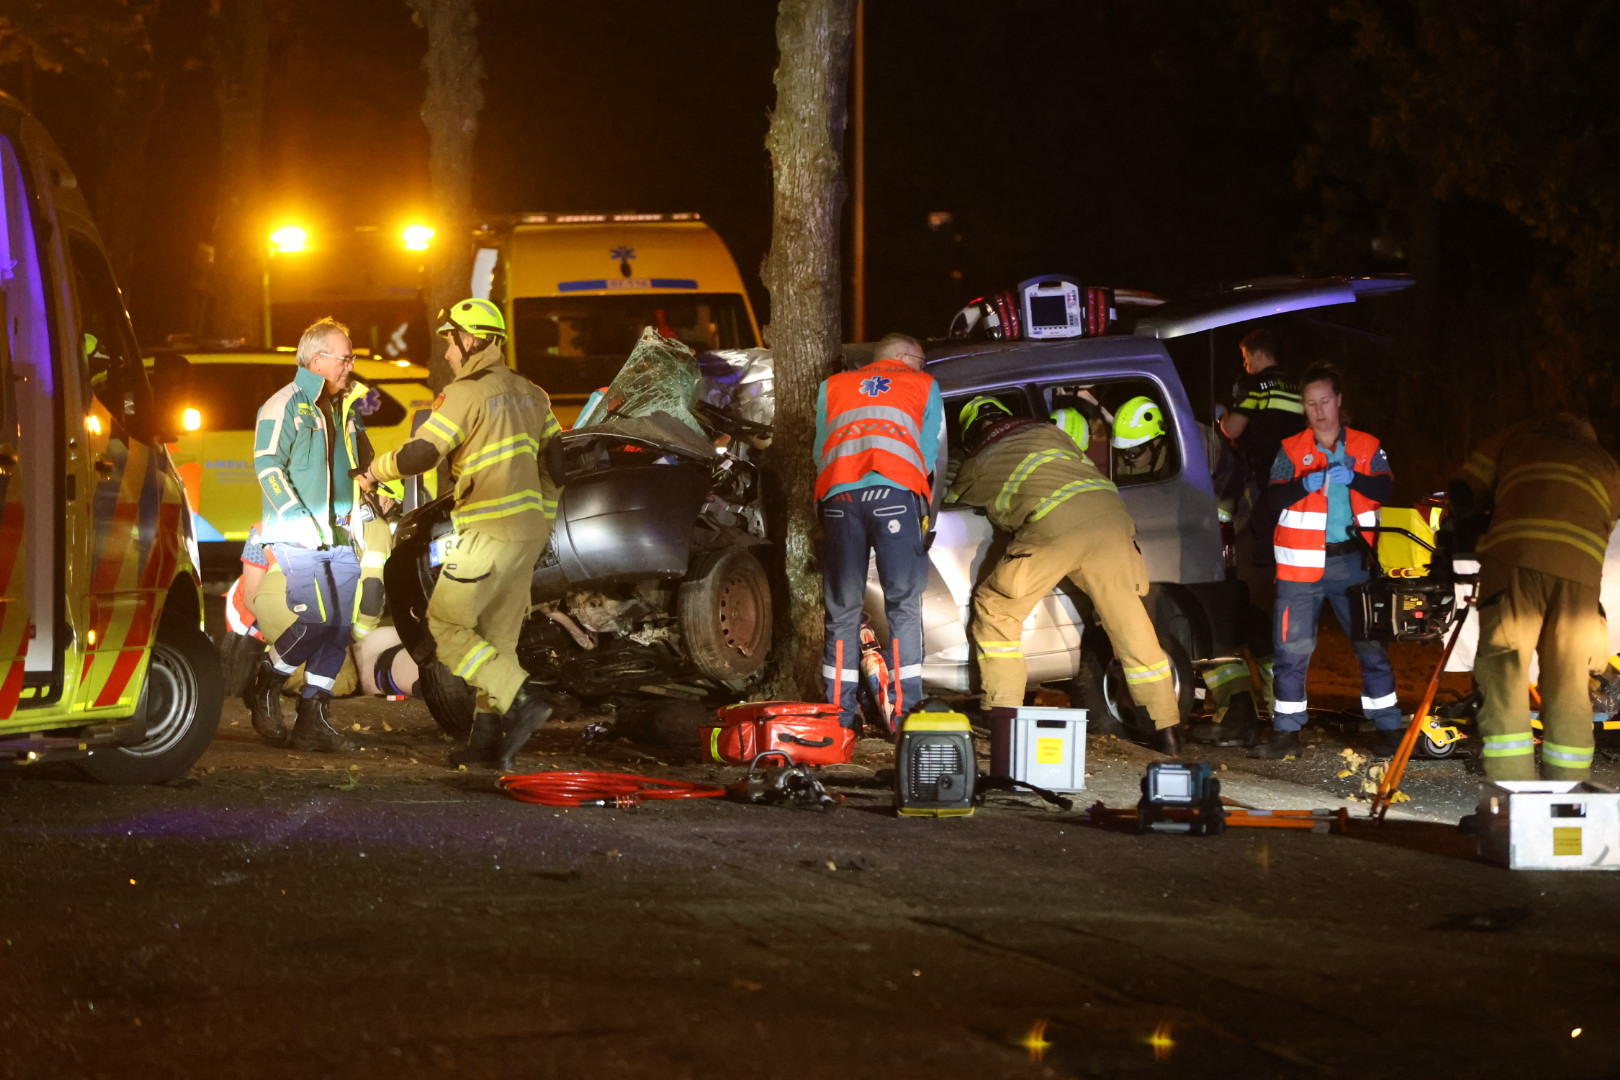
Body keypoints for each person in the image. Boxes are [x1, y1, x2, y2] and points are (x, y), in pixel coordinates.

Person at [361, 298, 561, 771]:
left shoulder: (466, 393)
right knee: (498, 642)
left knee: (446, 626)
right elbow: (556, 464)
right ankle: (486, 744)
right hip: (528, 533)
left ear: (471, 340)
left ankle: (521, 697)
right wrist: (544, 521)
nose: (448, 352)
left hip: (487, 529)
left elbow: (421, 457)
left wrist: (374, 468)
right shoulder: (534, 393)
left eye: (450, 341)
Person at [951, 395, 1182, 755]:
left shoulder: (978, 461)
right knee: (1130, 624)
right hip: (1111, 517)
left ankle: (1001, 714)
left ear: (970, 435)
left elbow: (945, 497)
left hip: (1055, 529)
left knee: (997, 609)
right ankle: (1166, 727)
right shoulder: (1050, 433)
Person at [1450, 415, 1620, 781]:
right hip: (1579, 579)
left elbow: (1464, 489)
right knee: (1570, 682)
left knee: (1505, 673)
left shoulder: (1517, 434)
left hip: (1515, 561)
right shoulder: (1604, 462)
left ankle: (1514, 791)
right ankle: (1568, 790)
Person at [1254, 362, 1401, 759]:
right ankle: (1286, 735)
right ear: (1304, 408)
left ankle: (1389, 729)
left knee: (1371, 647)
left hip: (1353, 563)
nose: (1318, 411)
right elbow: (1273, 498)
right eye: (1310, 404)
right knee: (1290, 652)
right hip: (1300, 568)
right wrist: (1303, 483)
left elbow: (1385, 488)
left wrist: (1354, 478)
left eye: (1324, 401)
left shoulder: (1367, 447)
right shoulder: (1290, 449)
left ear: (1338, 401)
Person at [243, 317, 371, 752]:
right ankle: (266, 681)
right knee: (316, 620)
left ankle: (313, 719)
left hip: (341, 536)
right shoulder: (284, 404)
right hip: (298, 536)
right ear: (317, 359)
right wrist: (297, 517)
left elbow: (359, 467)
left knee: (339, 627)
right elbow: (267, 465)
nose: (351, 365)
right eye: (345, 357)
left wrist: (376, 495)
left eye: (351, 357)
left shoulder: (344, 408)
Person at [816, 332, 945, 728]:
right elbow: (932, 453)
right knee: (903, 604)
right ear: (904, 357)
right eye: (921, 361)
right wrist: (925, 517)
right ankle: (907, 714)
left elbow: (820, 447)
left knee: (842, 612)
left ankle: (838, 718)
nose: (924, 369)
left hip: (839, 499)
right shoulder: (923, 385)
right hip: (894, 493)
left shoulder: (831, 386)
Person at [1110, 395, 1175, 483]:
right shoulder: (1114, 468)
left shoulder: (1177, 467)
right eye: (1122, 450)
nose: (1126, 457)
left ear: (1156, 442)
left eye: (1133, 450)